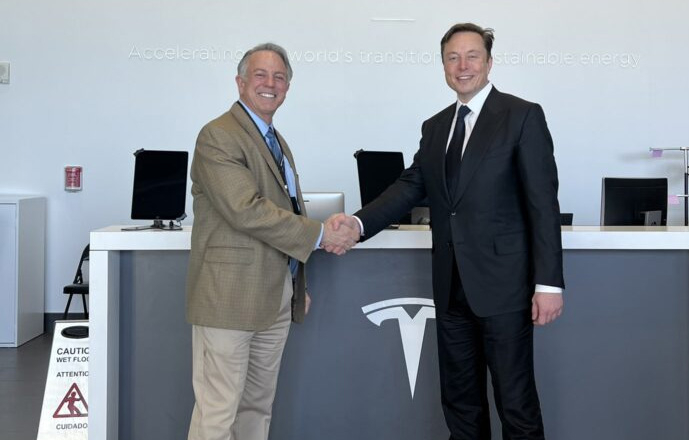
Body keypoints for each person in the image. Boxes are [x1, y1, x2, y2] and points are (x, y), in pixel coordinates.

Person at [332, 23, 565, 439]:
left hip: (504, 289)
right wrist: (358, 223)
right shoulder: (436, 126)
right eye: (452, 57)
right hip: (451, 288)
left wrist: (548, 283)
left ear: (489, 62)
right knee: (460, 405)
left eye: (472, 56)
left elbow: (543, 204)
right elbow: (410, 187)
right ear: (443, 65)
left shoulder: (522, 116)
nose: (462, 66)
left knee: (516, 405)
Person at [186, 43, 358, 440]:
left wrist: (295, 283)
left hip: (275, 296)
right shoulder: (218, 135)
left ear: (287, 88)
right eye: (260, 75)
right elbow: (245, 209)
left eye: (279, 77)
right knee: (218, 412)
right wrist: (320, 234)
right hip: (229, 299)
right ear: (240, 82)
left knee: (256, 410)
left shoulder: (276, 141)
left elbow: (287, 210)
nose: (270, 83)